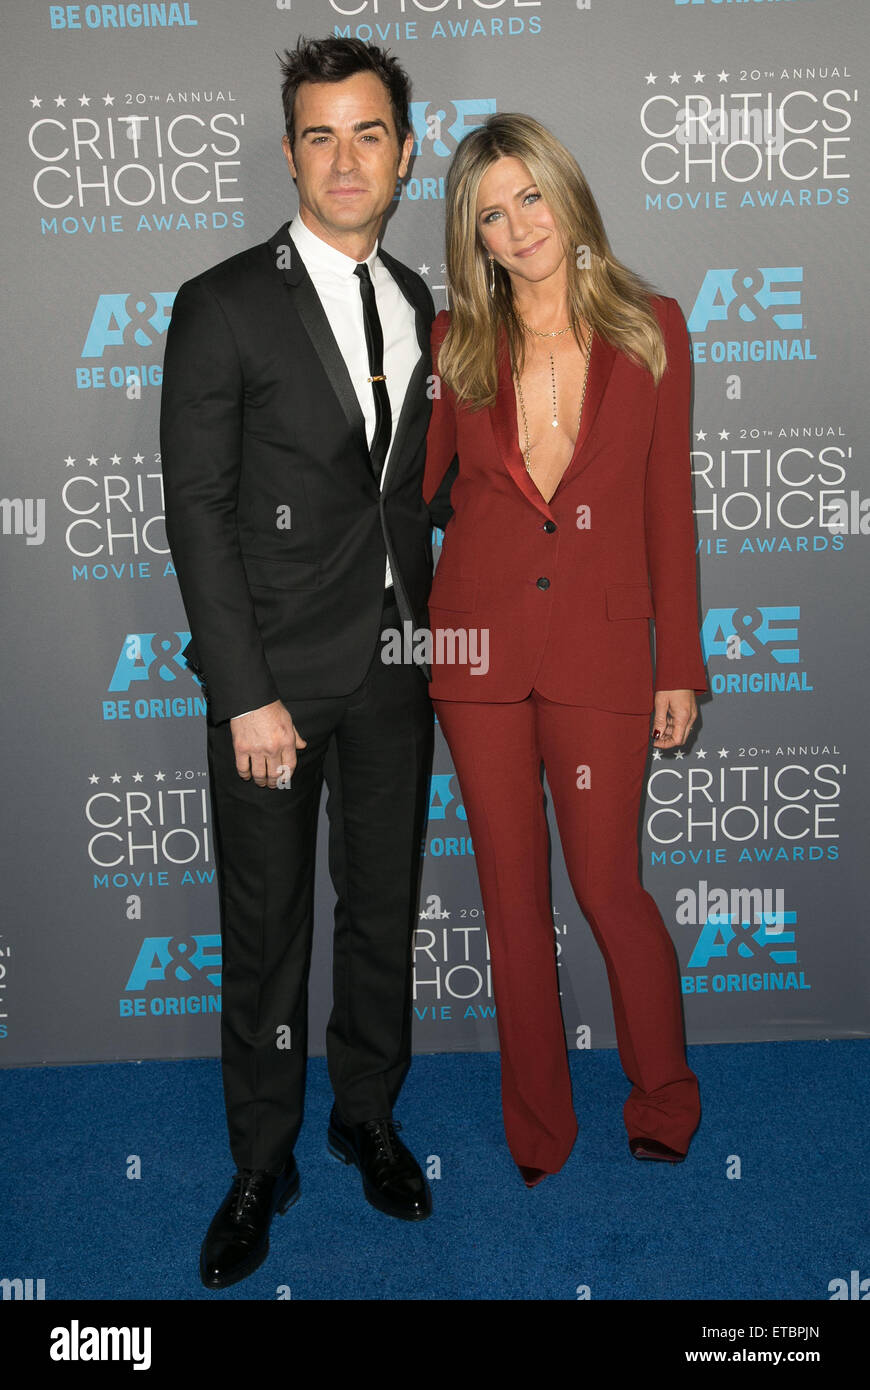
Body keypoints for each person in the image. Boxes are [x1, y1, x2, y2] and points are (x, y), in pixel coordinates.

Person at [161, 36, 452, 1290]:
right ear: (289, 154)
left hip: (397, 666)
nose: (346, 158)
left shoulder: (420, 301)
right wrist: (245, 693)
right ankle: (260, 1161)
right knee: (267, 933)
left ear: (403, 153)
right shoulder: (220, 302)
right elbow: (198, 510)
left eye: (369, 134)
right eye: (320, 135)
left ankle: (365, 1114)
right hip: (273, 686)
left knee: (381, 911)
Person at [423, 113, 708, 1187]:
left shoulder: (653, 328)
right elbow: (414, 498)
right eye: (490, 214)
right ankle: (538, 1128)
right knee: (510, 897)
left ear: (565, 197)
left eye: (528, 197)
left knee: (606, 887)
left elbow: (666, 511)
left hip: (600, 659)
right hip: (479, 662)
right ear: (476, 238)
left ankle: (664, 1096)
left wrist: (676, 660)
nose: (516, 225)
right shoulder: (458, 345)